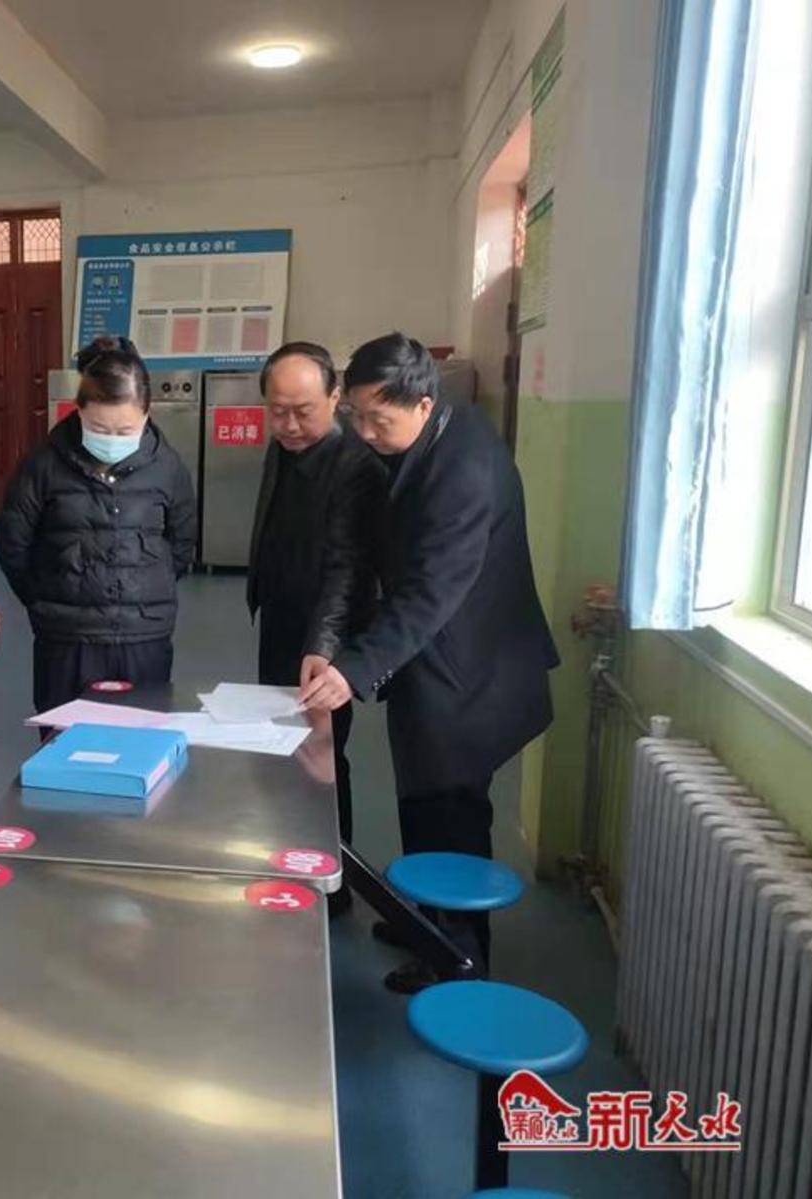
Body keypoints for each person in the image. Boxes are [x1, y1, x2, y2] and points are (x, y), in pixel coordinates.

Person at [299, 332, 558, 992]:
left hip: (472, 674)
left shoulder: (466, 471)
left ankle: (459, 958)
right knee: (420, 796)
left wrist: (352, 670)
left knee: (453, 811)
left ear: (422, 403)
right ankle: (427, 919)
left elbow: (430, 594)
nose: (364, 432)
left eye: (378, 420)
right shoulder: (429, 435)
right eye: (356, 415)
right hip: (433, 665)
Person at [247, 341, 385, 912]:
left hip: (324, 636)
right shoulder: (286, 447)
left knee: (322, 758)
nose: (289, 425)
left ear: (335, 398)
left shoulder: (355, 465)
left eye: (303, 411)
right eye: (277, 411)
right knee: (284, 751)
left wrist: (324, 648)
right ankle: (295, 859)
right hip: (282, 618)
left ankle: (331, 883)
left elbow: (347, 569)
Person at [0, 336, 197, 713]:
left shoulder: (168, 468)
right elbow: (14, 544)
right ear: (79, 411)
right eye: (100, 429)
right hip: (68, 638)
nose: (112, 440)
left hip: (144, 636)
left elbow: (182, 544)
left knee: (141, 734)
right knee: (66, 737)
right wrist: (48, 599)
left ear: (147, 414)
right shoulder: (43, 466)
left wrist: (145, 589)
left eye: (125, 431)